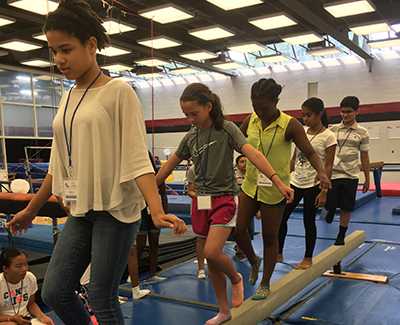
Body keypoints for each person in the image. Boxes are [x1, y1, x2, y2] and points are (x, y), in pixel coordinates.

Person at [6, 1, 186, 324]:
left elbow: (136, 156)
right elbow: (59, 164)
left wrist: (156, 209)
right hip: (81, 210)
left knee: (101, 296)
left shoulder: (119, 92)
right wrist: (31, 210)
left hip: (115, 211)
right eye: (53, 51)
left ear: (91, 45)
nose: (59, 59)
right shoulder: (68, 96)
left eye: (66, 49)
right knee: (55, 291)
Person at [156, 83, 293, 325]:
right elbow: (169, 166)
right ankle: (223, 310)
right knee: (211, 261)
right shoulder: (190, 136)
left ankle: (236, 278)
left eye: (194, 114)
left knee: (211, 251)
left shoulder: (227, 129)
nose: (190, 119)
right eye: (186, 115)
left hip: (224, 199)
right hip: (201, 201)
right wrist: (148, 189)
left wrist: (277, 181)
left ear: (209, 107)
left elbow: (253, 153)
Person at [235, 78, 330, 300]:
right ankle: (254, 261)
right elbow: (234, 140)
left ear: (276, 101)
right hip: (250, 185)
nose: (259, 111)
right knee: (239, 231)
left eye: (264, 107)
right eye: (254, 106)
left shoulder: (290, 125)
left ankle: (265, 282)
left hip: (275, 190)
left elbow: (309, 152)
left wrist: (322, 173)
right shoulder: (250, 120)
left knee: (270, 236)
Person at [278, 97, 337, 269]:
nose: (305, 119)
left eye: (308, 115)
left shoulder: (329, 136)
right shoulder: (301, 131)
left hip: (313, 184)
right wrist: (285, 178)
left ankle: (308, 257)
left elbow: (328, 165)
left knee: (308, 221)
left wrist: (324, 191)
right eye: (303, 115)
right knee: (282, 217)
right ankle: (279, 252)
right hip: (295, 181)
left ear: (320, 114)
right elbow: (294, 158)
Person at [325, 96, 370, 245]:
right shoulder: (333, 129)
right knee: (329, 202)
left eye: (349, 112)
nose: (345, 115)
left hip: (351, 174)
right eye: (343, 112)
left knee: (346, 207)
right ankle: (330, 209)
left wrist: (367, 179)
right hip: (334, 173)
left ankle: (341, 234)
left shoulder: (362, 132)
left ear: (356, 112)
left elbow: (364, 156)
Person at [128, 152, 168, 299]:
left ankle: (153, 272)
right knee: (138, 245)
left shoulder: (156, 175)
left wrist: (163, 212)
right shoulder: (135, 175)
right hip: (141, 210)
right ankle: (133, 276)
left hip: (154, 210)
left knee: (154, 243)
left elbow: (162, 194)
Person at [0, 248, 54, 324]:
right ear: (5, 268)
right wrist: (12, 318)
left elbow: (31, 304)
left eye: (25, 264)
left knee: (47, 322)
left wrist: (42, 317)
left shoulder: (30, 278)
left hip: (25, 319)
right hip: (5, 320)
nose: (24, 269)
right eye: (18, 266)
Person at [186, 165, 207, 279]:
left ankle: (216, 264)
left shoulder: (218, 166)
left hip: (217, 203)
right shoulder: (193, 169)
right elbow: (190, 191)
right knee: (201, 237)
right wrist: (201, 197)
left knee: (217, 234)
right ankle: (201, 268)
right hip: (201, 204)